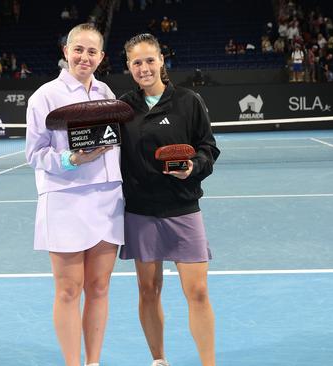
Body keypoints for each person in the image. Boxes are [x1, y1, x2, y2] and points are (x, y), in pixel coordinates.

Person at [25, 23, 123, 366]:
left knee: (99, 288)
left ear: (101, 57)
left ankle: (93, 362)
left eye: (91, 51)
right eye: (78, 49)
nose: (84, 57)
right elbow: (34, 154)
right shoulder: (45, 96)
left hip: (108, 199)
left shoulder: (106, 92)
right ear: (66, 52)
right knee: (68, 290)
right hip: (65, 200)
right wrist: (71, 159)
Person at [119, 33, 220, 366]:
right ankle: (159, 360)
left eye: (150, 60)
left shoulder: (188, 101)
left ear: (162, 60)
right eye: (137, 62)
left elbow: (208, 148)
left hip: (182, 208)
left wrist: (192, 168)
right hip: (141, 212)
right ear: (129, 66)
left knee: (199, 291)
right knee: (149, 291)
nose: (145, 68)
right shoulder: (122, 107)